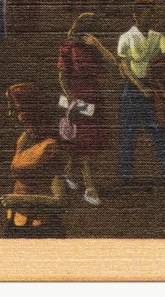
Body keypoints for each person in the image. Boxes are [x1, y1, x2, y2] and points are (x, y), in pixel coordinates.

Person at [117, 0, 165, 183]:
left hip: (153, 90)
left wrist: (159, 70)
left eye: (151, 12)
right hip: (132, 91)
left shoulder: (158, 37)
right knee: (128, 132)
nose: (150, 16)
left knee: (160, 130)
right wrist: (140, 87)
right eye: (146, 12)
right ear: (135, 15)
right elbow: (124, 68)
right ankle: (126, 174)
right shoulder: (126, 38)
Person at [56, 13, 115, 207]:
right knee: (84, 142)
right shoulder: (68, 48)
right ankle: (90, 186)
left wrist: (97, 44)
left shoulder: (92, 47)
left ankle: (67, 171)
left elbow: (113, 63)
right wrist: (72, 99)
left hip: (93, 96)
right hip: (77, 96)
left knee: (81, 140)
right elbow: (62, 76)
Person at [1, 83, 69, 238]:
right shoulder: (23, 140)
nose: (11, 114)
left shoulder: (51, 146)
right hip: (15, 223)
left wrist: (18, 200)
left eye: (16, 109)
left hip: (41, 228)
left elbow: (61, 200)